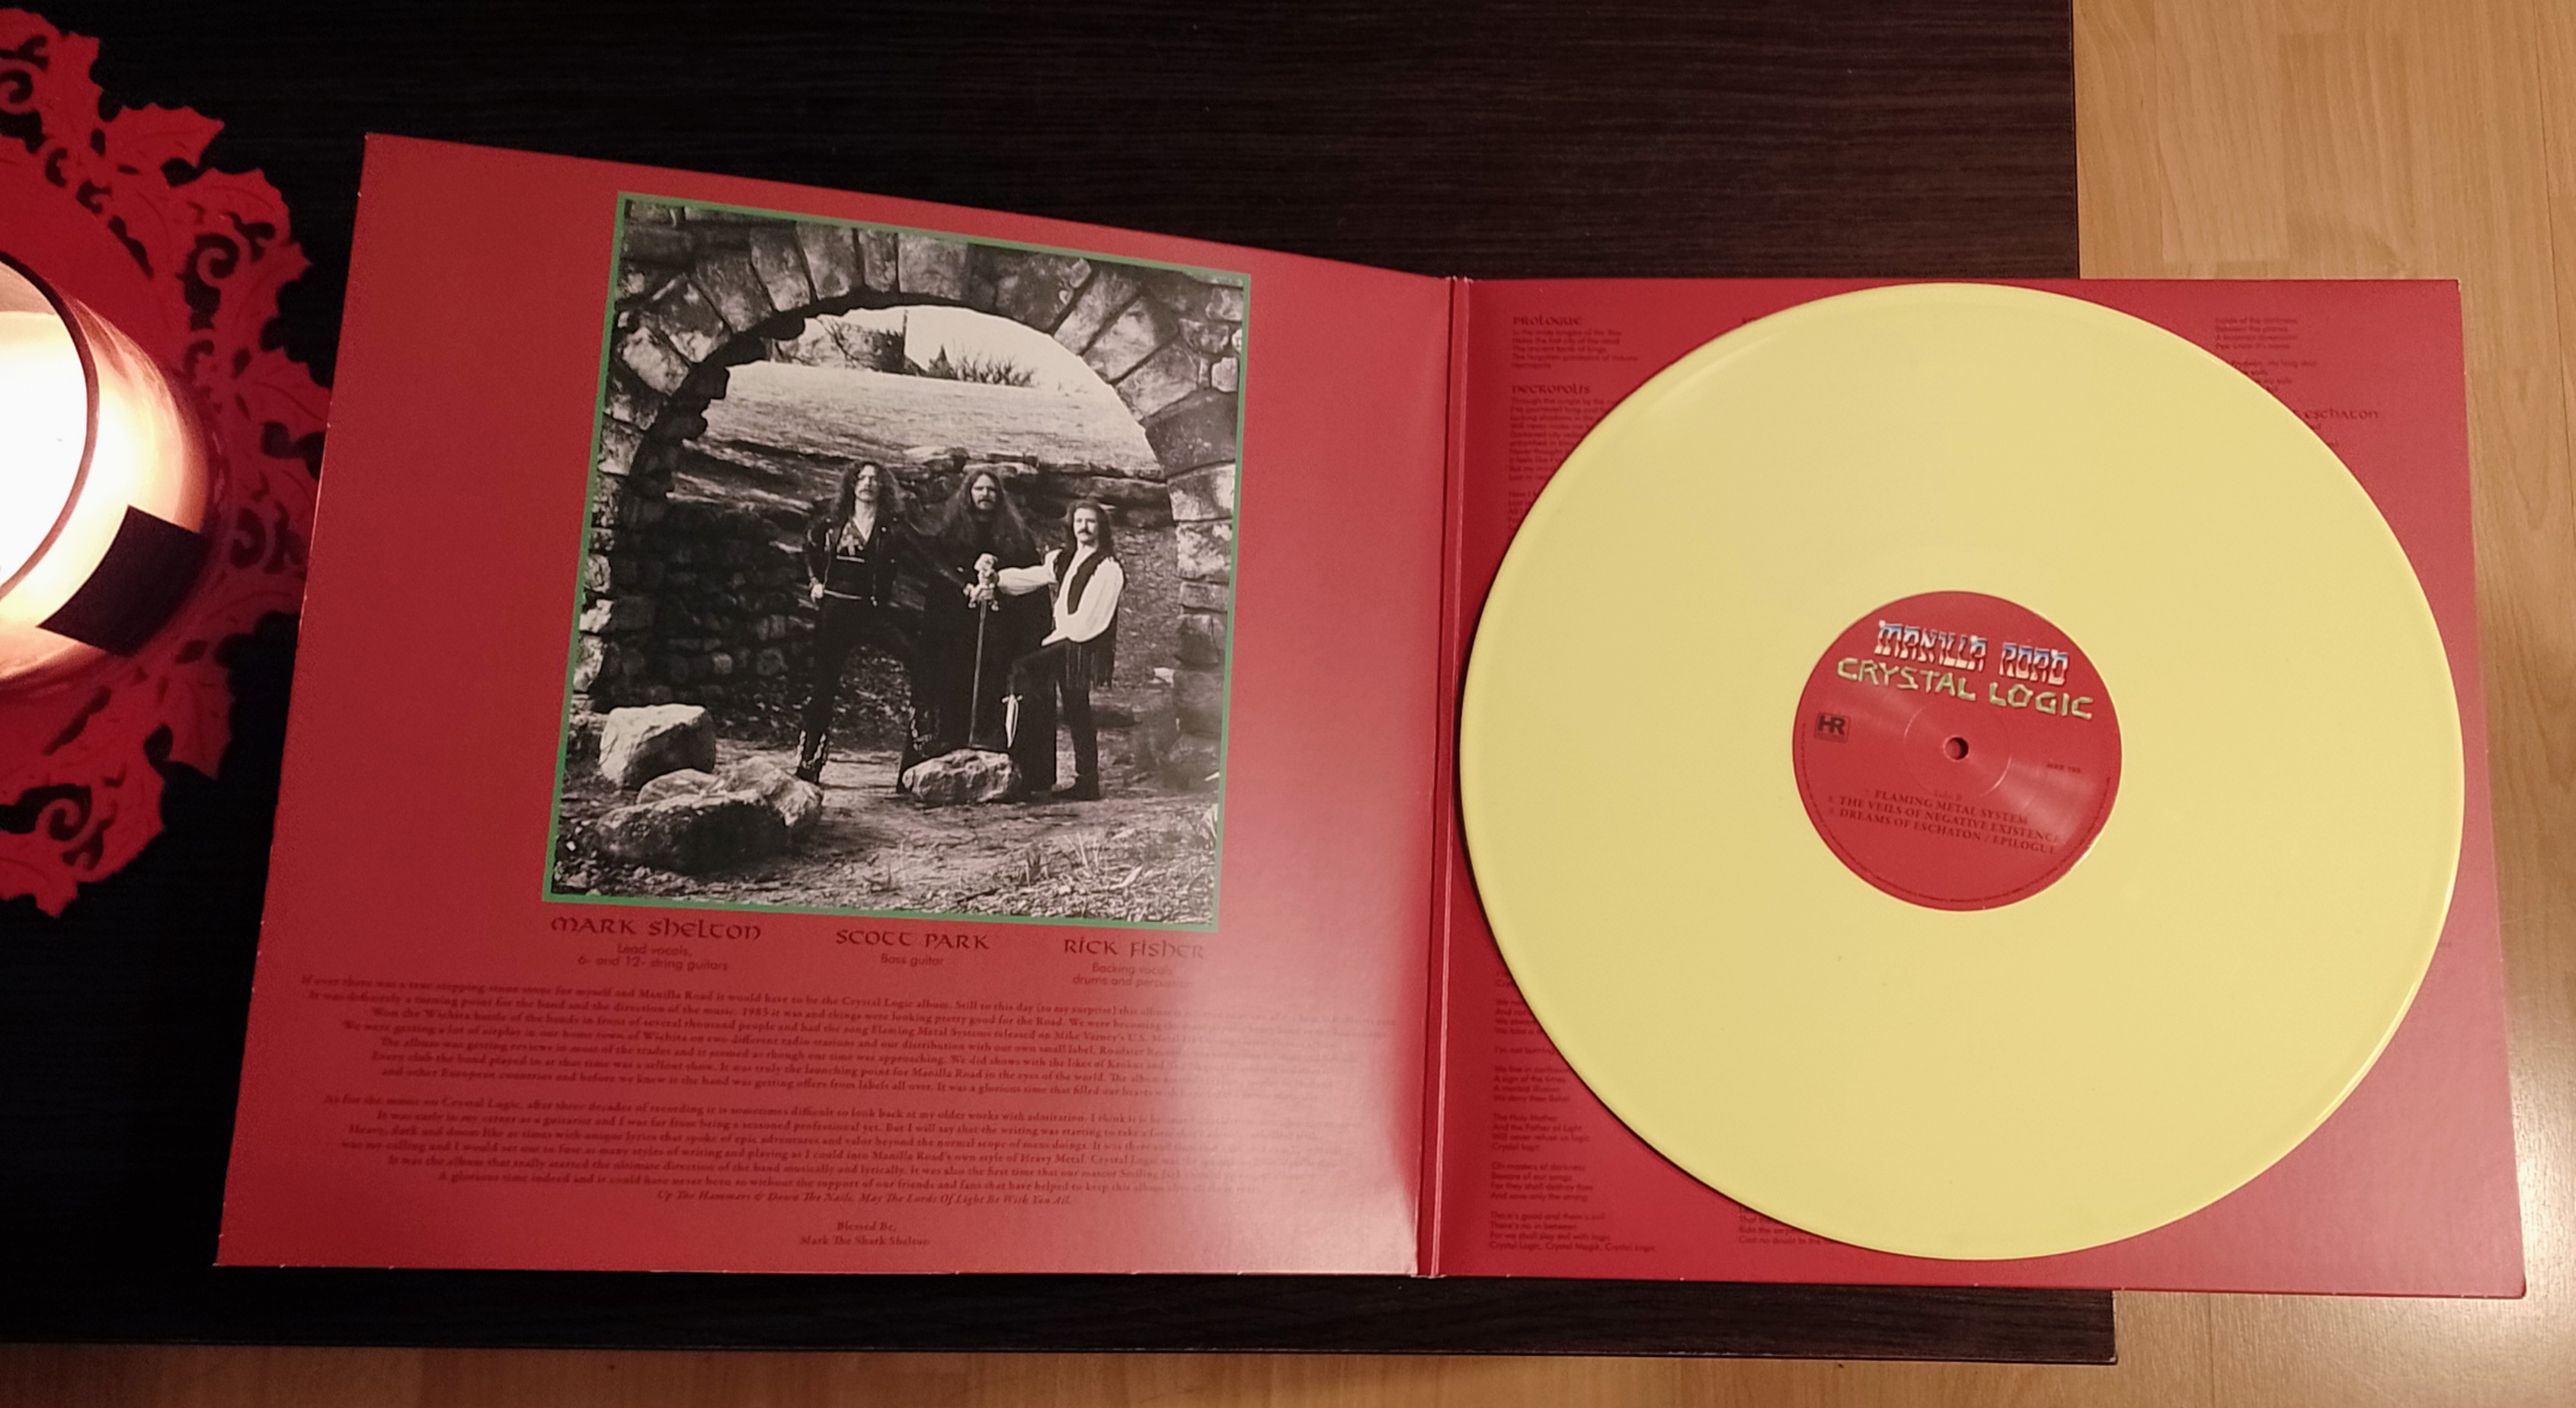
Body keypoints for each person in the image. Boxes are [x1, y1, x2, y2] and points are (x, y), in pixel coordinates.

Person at [795, 460, 937, 789]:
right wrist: (814, 581)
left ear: (883, 487)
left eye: (875, 479)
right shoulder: (832, 524)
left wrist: (967, 585)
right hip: (835, 614)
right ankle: (808, 764)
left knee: (919, 660)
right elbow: (808, 547)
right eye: (862, 478)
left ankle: (921, 746)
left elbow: (929, 559)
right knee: (824, 687)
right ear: (852, 484)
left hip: (872, 613)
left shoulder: (893, 529)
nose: (868, 484)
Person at [980, 499, 1122, 802]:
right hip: (1065, 642)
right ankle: (1043, 773)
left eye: (1091, 521)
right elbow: (1034, 576)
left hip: (1081, 645)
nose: (1084, 527)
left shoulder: (1108, 567)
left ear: (1101, 527)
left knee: (1029, 674)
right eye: (1079, 521)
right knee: (1072, 708)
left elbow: (1093, 617)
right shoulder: (1065, 559)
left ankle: (1072, 778)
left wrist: (1058, 641)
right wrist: (999, 578)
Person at [919, 467, 1044, 753]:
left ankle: (989, 737)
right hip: (958, 625)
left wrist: (999, 592)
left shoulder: (1017, 536)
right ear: (968, 493)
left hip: (1001, 626)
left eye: (991, 490)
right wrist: (967, 590)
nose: (985, 494)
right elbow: (940, 576)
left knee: (994, 677)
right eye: (979, 489)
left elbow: (1030, 583)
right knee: (956, 677)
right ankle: (952, 736)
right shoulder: (951, 534)